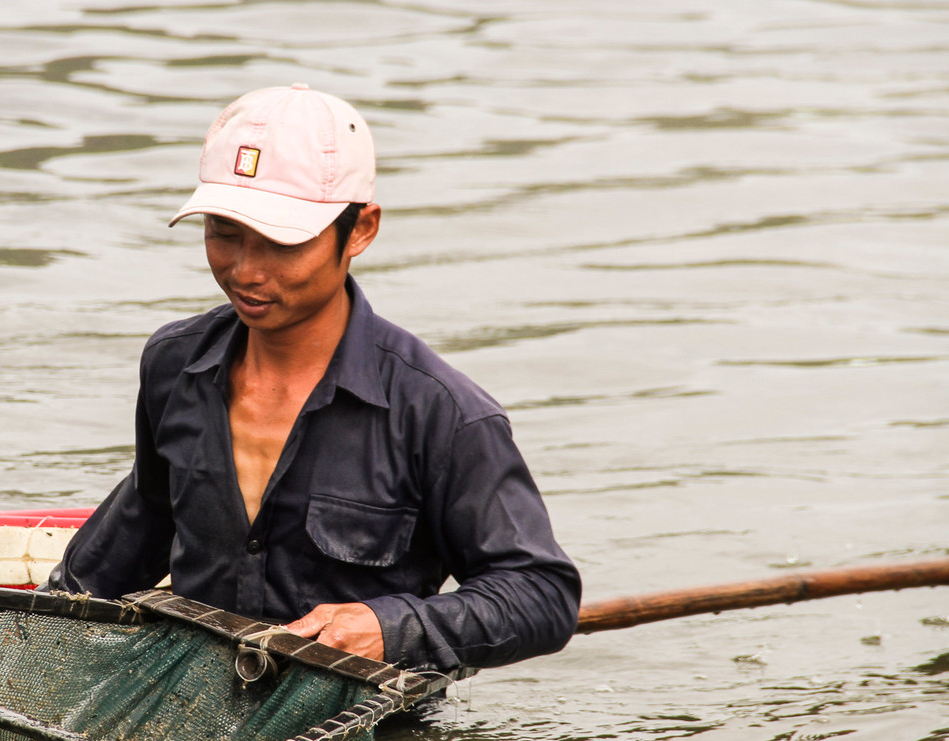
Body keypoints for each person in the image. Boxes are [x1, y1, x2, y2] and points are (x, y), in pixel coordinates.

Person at [49, 84, 580, 672]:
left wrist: (389, 628)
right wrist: (40, 633)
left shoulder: (438, 412)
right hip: (194, 701)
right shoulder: (174, 366)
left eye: (282, 242)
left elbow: (540, 594)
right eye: (224, 232)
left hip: (360, 715)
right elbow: (141, 524)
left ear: (361, 230)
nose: (245, 270)